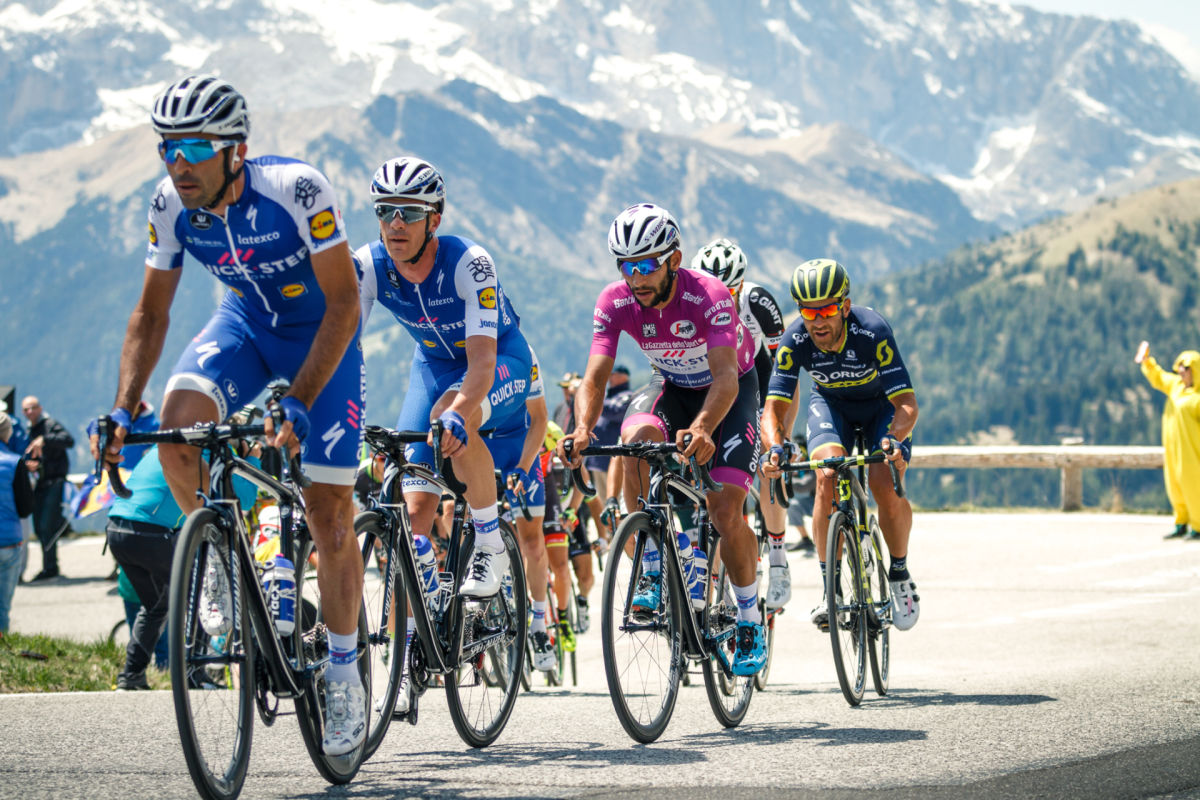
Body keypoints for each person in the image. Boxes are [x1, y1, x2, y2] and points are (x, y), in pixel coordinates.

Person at [92, 75, 367, 754]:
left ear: (235, 150)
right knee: (177, 433)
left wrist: (300, 398)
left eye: (193, 147)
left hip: (321, 333)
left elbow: (343, 304)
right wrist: (123, 409)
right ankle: (220, 553)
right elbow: (150, 314)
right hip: (243, 326)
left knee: (330, 515)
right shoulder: (170, 204)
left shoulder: (297, 191)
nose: (177, 163)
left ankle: (343, 674)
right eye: (167, 147)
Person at [558, 203, 767, 676]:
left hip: (729, 391)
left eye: (647, 264)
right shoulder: (615, 301)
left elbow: (725, 377)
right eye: (626, 266)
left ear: (674, 259)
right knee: (636, 439)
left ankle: (750, 618)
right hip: (671, 384)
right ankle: (655, 561)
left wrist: (704, 427)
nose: (636, 277)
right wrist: (583, 428)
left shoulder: (708, 294)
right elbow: (595, 376)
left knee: (724, 511)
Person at [356, 155, 534, 704]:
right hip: (431, 367)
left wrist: (460, 410)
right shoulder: (369, 265)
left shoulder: (469, 263)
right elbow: (340, 347)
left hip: (498, 361)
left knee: (452, 421)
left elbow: (481, 363)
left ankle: (488, 540)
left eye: (410, 212)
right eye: (386, 211)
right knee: (412, 513)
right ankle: (412, 644)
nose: (396, 223)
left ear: (434, 218)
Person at [759, 258, 920, 632]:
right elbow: (772, 410)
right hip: (831, 406)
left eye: (827, 311)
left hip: (882, 408)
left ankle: (899, 573)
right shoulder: (795, 340)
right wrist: (775, 447)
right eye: (808, 312)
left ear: (845, 306)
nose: (817, 321)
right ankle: (830, 589)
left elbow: (907, 404)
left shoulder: (872, 331)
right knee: (826, 476)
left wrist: (894, 440)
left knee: (882, 482)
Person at [108, 439, 262, 690]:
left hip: (117, 529)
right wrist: (253, 457)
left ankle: (131, 675)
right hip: (150, 530)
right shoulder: (211, 448)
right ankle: (194, 673)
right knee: (201, 596)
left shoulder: (170, 441)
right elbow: (245, 500)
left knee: (157, 606)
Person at [692, 237, 793, 608]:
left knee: (769, 461)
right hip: (713, 388)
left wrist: (780, 434)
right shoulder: (689, 305)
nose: (722, 297)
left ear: (741, 285)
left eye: (730, 291)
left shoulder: (758, 302)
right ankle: (718, 581)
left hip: (759, 382)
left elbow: (785, 374)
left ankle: (778, 558)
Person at [1136, 344, 1200, 540]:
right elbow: (1159, 377)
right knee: (1175, 485)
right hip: (1173, 448)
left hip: (1193, 452)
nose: (1181, 371)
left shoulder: (1197, 398)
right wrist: (1147, 361)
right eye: (1179, 366)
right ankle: (1181, 522)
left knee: (1194, 487)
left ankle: (1198, 526)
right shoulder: (1175, 386)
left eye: (1186, 367)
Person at [21, 395, 74, 582]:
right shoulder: (29, 429)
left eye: (32, 408)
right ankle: (48, 565)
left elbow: (68, 440)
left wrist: (45, 439)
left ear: (40, 408)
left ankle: (51, 567)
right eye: (26, 409)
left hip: (54, 481)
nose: (29, 412)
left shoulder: (50, 424)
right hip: (39, 482)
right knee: (39, 526)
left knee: (46, 525)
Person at [0, 412, 34, 633]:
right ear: (7, 433)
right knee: (2, 608)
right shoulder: (15, 463)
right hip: (8, 542)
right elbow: (25, 508)